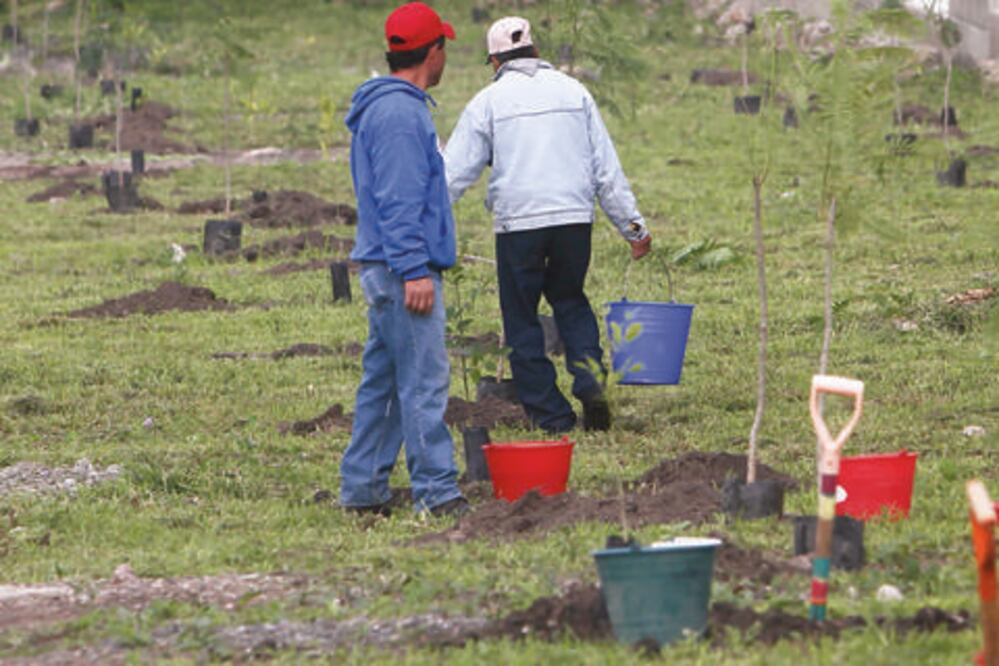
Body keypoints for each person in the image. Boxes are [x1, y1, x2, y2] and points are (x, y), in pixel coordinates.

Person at [444, 16, 653, 434]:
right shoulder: (575, 92)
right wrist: (634, 229)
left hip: (518, 225)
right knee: (571, 300)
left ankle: (552, 416)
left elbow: (452, 175)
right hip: (574, 220)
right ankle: (591, 382)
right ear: (536, 53)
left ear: (494, 61)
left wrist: (428, 223)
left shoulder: (488, 102)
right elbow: (605, 171)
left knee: (521, 318)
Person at [339, 2, 467, 518]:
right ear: (431, 52)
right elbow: (397, 199)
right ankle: (437, 494)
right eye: (445, 47)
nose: (445, 59)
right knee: (423, 381)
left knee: (387, 382)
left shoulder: (392, 107)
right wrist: (414, 268)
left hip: (384, 265)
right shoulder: (398, 114)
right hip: (400, 270)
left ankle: (364, 487)